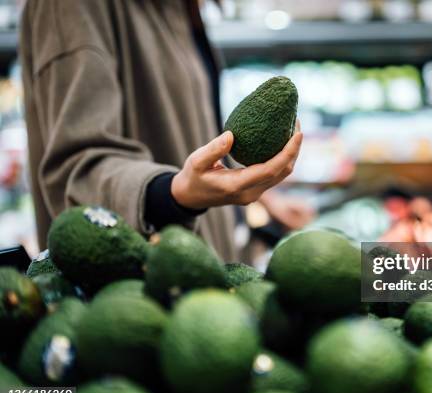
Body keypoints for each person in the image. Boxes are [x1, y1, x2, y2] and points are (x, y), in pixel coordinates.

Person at [19, 0, 314, 261]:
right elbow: (77, 170)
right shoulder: (69, 7)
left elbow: (195, 130)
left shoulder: (179, 7)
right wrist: (177, 192)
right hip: (139, 295)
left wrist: (262, 198)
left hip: (205, 271)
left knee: (361, 285)